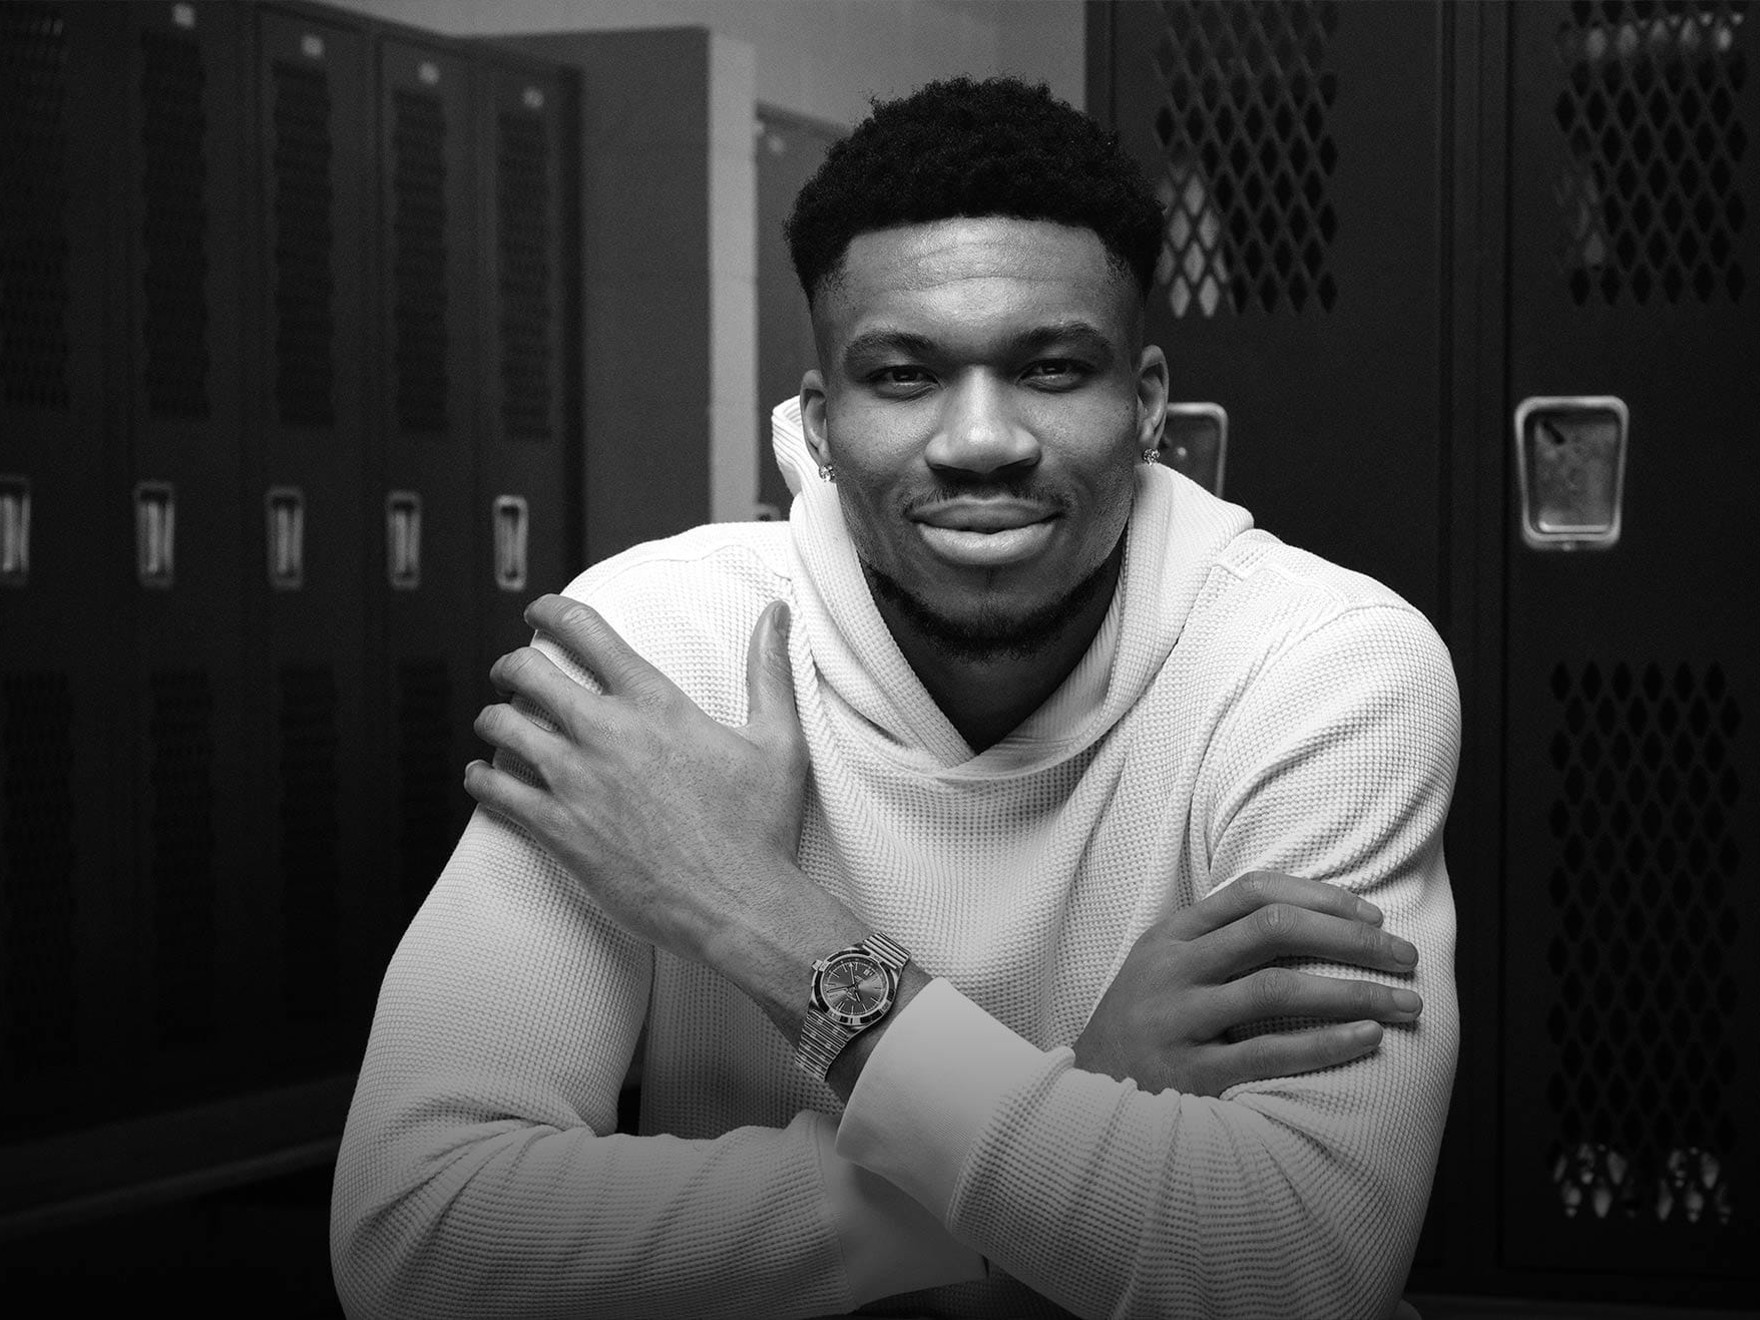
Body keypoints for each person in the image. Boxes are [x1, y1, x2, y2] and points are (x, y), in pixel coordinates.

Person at [331, 77, 1459, 1319]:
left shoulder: (1317, 667)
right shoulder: (660, 648)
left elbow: (1302, 1270)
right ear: (819, 425)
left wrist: (756, 912)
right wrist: (1065, 1099)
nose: (981, 439)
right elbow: (414, 1236)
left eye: (1048, 366)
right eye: (905, 374)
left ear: (1144, 408)